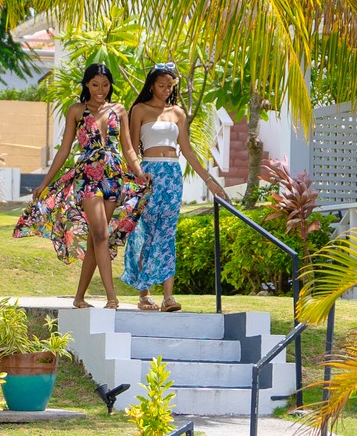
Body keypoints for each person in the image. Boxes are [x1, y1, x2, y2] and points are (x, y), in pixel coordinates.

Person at [14, 62, 150, 309]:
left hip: (113, 177)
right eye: (95, 84)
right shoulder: (76, 110)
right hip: (87, 176)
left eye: (106, 85)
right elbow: (65, 150)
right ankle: (112, 297)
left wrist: (139, 173)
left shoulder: (119, 110)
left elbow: (128, 148)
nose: (101, 90)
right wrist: (45, 182)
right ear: (87, 84)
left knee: (94, 241)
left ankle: (79, 298)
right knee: (101, 234)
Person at [124, 63, 228, 312]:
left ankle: (168, 297)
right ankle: (144, 293)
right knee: (146, 230)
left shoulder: (178, 113)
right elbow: (128, 147)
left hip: (172, 174)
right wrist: (137, 175)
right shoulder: (139, 109)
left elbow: (188, 150)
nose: (166, 89)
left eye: (170, 86)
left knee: (168, 233)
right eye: (162, 85)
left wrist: (209, 180)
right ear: (151, 85)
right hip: (148, 173)